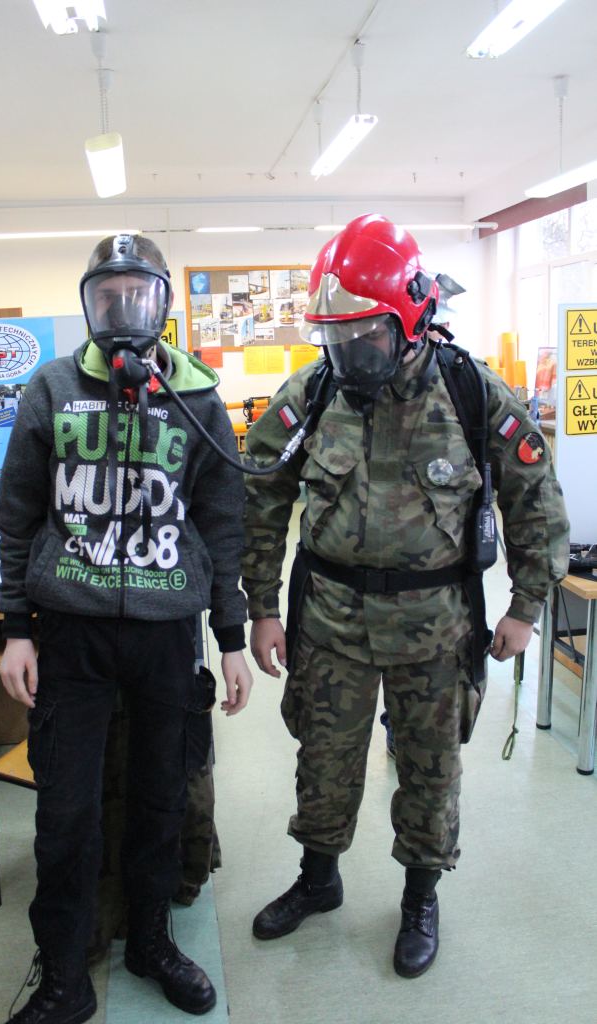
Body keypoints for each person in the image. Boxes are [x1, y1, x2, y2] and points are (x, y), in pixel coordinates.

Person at [241, 215, 569, 979]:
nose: (348, 353)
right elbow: (259, 495)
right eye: (335, 338)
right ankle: (318, 879)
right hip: (330, 621)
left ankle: (420, 896)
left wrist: (524, 606)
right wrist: (261, 606)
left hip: (435, 626)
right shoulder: (314, 392)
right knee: (323, 759)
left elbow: (534, 498)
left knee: (428, 768)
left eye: (364, 336)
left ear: (410, 318)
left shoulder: (469, 391)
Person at [0, 233, 252, 1024]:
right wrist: (15, 625)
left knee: (160, 799)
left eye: (136, 295)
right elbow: (18, 511)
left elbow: (221, 522)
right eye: (106, 297)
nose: (121, 311)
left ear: (162, 303)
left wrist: (232, 636)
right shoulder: (51, 388)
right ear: (87, 304)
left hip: (166, 632)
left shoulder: (197, 398)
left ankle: (149, 940)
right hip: (69, 631)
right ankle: (65, 974)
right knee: (65, 812)